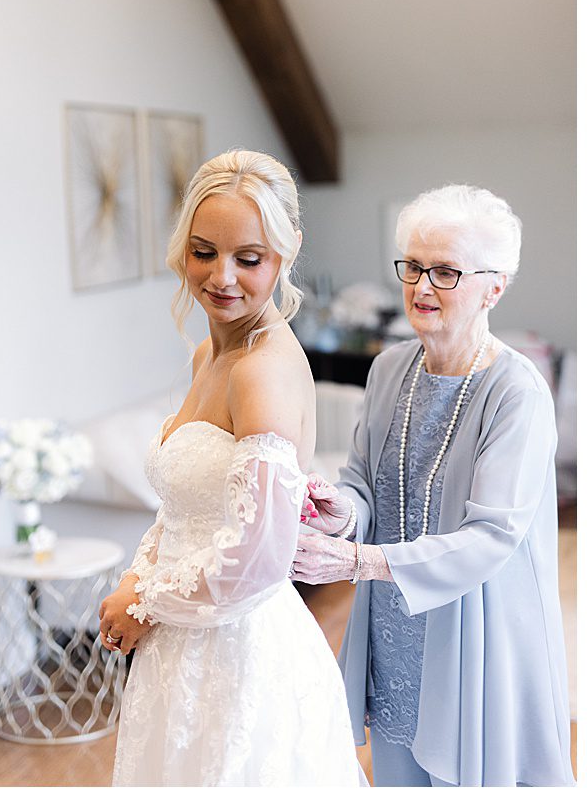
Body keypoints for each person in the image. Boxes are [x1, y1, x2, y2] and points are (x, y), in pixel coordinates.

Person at [292, 184, 572, 787]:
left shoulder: (517, 392)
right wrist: (336, 512)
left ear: (494, 286)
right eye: (414, 267)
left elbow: (490, 537)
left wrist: (358, 559)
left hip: (478, 632)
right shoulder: (389, 367)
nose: (421, 287)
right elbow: (363, 484)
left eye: (446, 272)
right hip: (392, 626)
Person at [96, 149, 360, 784]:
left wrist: (146, 603)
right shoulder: (205, 358)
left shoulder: (262, 370)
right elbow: (183, 509)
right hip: (184, 648)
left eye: (250, 258)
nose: (222, 278)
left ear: (286, 254)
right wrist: (138, 577)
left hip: (239, 654)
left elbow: (262, 555)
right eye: (204, 251)